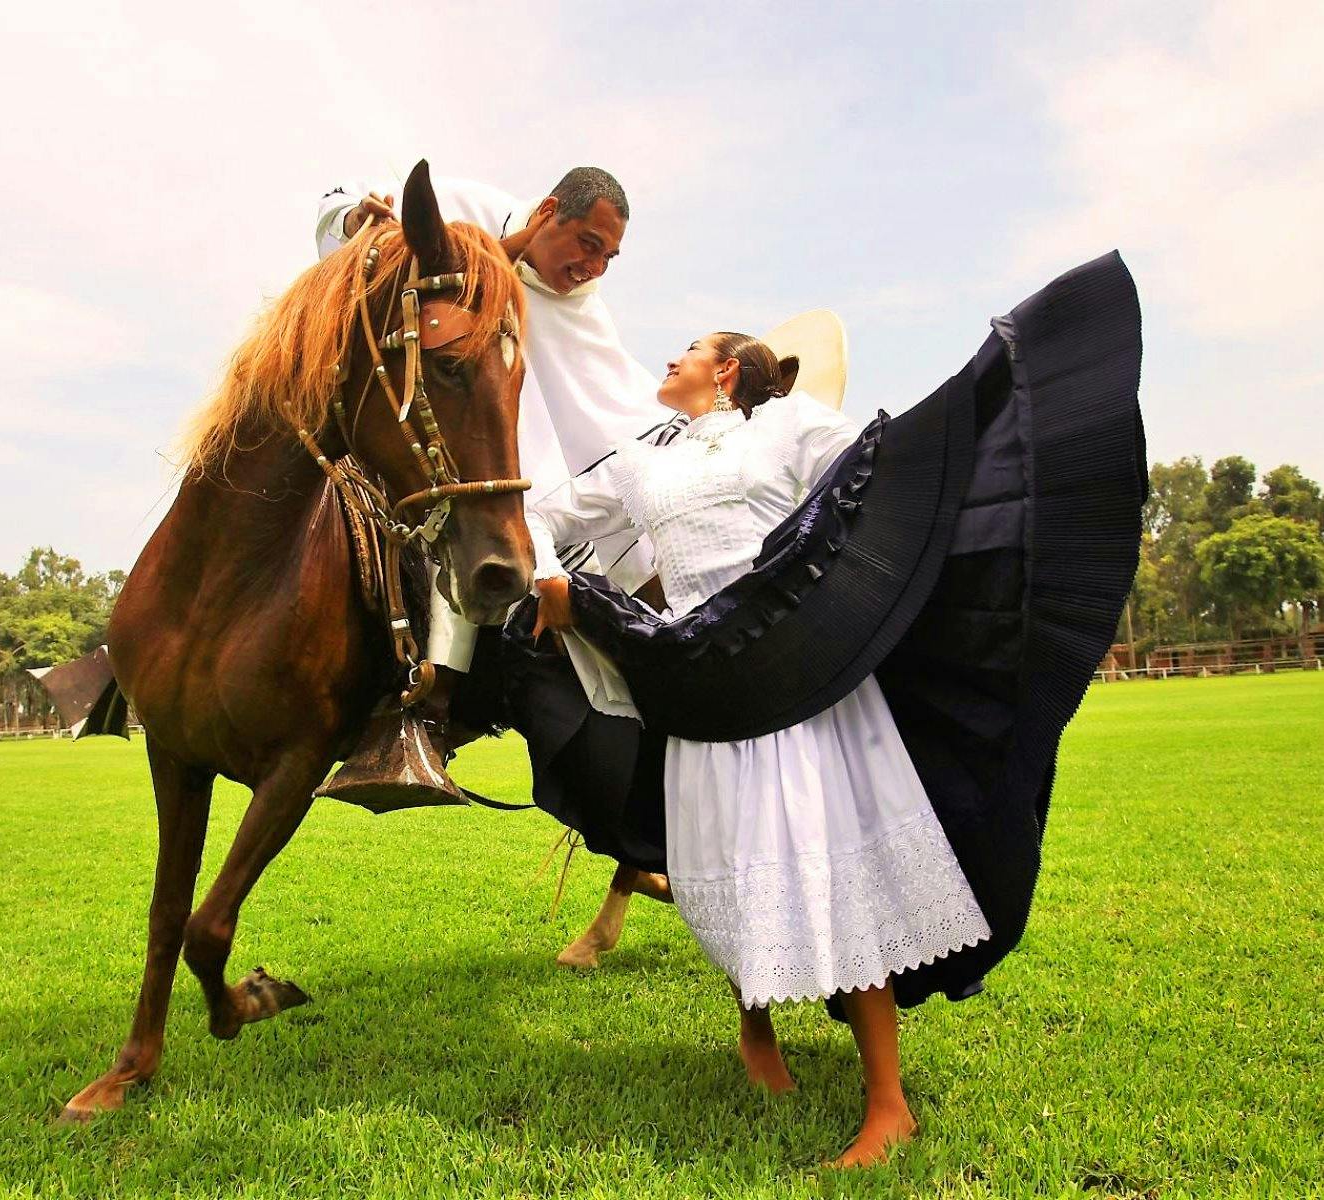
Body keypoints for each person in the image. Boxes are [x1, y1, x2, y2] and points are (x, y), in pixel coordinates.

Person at [525, 331, 994, 1167]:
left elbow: (879, 475)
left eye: (688, 350)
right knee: (730, 868)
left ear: (728, 371)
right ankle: (755, 1023)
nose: (668, 360)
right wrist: (544, 581)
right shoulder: (639, 460)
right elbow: (544, 511)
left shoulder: (789, 429)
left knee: (834, 868)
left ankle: (888, 1102)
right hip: (700, 686)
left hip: (798, 679)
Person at [315, 167, 677, 806]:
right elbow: (346, 207)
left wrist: (691, 433)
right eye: (587, 244)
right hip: (431, 423)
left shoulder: (582, 310)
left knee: (484, 515)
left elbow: (608, 396)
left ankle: (435, 711)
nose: (593, 267)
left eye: (609, 257)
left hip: (521, 464)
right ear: (546, 210)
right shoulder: (463, 208)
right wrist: (352, 223)